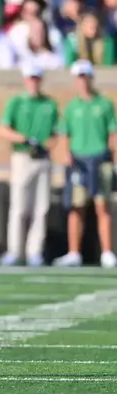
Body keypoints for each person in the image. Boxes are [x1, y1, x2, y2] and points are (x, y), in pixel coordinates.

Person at [54, 60, 117, 268]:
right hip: (79, 162)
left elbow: (112, 134)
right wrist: (66, 156)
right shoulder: (72, 107)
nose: (82, 81)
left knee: (102, 207)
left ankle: (107, 251)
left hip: (99, 160)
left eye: (85, 77)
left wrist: (112, 157)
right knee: (76, 207)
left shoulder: (104, 104)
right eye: (79, 77)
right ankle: (74, 252)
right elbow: (64, 135)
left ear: (91, 78)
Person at [0, 63, 59, 267]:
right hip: (22, 157)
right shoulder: (16, 102)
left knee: (41, 207)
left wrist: (47, 145)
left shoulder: (49, 104)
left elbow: (56, 134)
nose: (33, 82)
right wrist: (23, 139)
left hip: (43, 159)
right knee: (19, 207)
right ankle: (14, 250)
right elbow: (3, 129)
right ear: (25, 80)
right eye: (30, 78)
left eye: (36, 78)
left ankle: (35, 251)